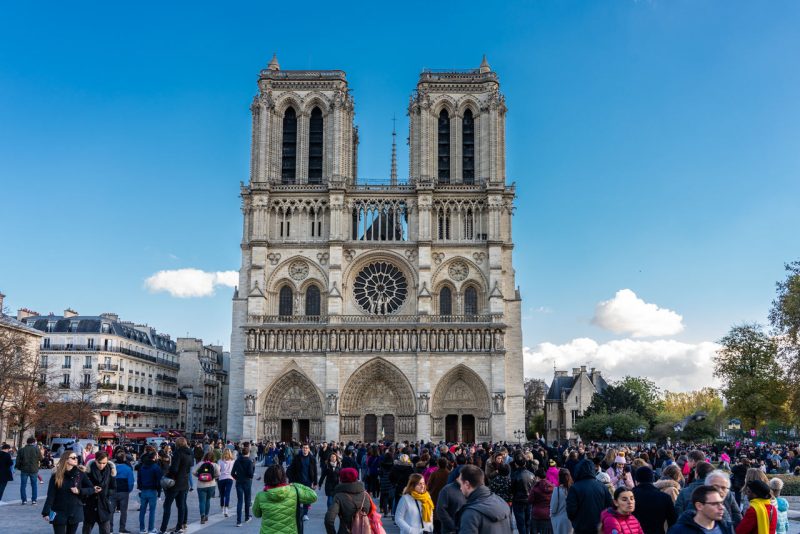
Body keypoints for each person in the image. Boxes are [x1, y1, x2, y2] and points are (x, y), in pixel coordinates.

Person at [41, 451, 96, 534]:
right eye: (73, 458)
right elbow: (51, 495)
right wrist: (46, 512)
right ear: (66, 460)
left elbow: (91, 489)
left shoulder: (80, 474)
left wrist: (79, 491)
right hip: (59, 511)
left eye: (76, 457)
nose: (76, 459)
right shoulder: (56, 476)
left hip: (75, 510)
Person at [253, 463, 318, 534]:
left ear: (267, 478)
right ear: (284, 477)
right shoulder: (293, 491)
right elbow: (313, 496)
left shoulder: (260, 496)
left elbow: (257, 514)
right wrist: (295, 484)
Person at [454, 464, 512, 533]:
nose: (460, 488)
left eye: (460, 484)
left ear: (467, 484)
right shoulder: (502, 502)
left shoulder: (470, 514)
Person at [566, 458, 613, 534]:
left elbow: (571, 511)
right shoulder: (602, 486)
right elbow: (609, 507)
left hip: (581, 528)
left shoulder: (575, 488)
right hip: (599, 527)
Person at [324, 467, 375, 534]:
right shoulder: (366, 495)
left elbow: (329, 520)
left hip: (345, 531)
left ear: (342, 478)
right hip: (364, 530)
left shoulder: (339, 496)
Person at [159, 436, 193, 534]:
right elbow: (189, 467)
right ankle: (180, 527)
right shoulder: (190, 453)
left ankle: (163, 529)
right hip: (184, 482)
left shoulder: (178, 453)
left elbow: (174, 469)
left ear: (177, 444)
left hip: (175, 483)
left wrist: (168, 474)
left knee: (167, 505)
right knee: (181, 505)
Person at [667, 485, 734, 534]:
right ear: (699, 506)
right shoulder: (679, 531)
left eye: (721, 503)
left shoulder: (727, 527)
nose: (722, 507)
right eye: (714, 504)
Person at [632, 466, 676, 534]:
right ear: (652, 480)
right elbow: (672, 521)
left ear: (636, 481)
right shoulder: (665, 497)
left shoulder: (630, 496)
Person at [83, 451, 116, 534]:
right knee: (86, 531)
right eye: (99, 463)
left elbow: (114, 488)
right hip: (90, 505)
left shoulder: (110, 470)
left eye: (104, 463)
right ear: (95, 460)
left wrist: (106, 493)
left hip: (104, 505)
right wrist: (91, 490)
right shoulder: (88, 471)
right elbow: (82, 488)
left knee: (105, 531)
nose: (102, 465)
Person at [286, 443, 318, 521]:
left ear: (309, 449)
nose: (305, 449)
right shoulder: (297, 458)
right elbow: (292, 469)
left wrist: (315, 482)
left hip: (308, 481)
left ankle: (305, 514)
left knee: (306, 498)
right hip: (298, 481)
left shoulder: (312, 459)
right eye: (304, 448)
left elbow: (315, 471)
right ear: (301, 449)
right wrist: (290, 481)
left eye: (306, 448)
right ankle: (297, 512)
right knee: (297, 497)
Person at [136, 445, 162, 534]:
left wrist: (140, 488)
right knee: (152, 510)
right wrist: (159, 492)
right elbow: (159, 480)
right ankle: (151, 529)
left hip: (143, 490)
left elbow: (139, 478)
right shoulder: (155, 467)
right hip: (152, 490)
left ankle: (142, 529)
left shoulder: (142, 466)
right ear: (154, 457)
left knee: (142, 510)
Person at [110, 451, 134, 534]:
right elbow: (131, 482)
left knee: (111, 511)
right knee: (124, 511)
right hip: (124, 492)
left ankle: (110, 529)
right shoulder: (128, 468)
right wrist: (128, 491)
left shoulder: (112, 467)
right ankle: (122, 529)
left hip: (112, 491)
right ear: (124, 458)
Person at [511, 454, 536, 534]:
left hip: (518, 501)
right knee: (527, 521)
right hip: (528, 500)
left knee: (521, 523)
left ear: (516, 464)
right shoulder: (531, 475)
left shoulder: (514, 475)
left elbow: (512, 489)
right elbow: (534, 488)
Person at [193, 451, 220, 524]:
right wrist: (212, 477)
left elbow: (193, 472)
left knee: (202, 501)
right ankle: (206, 516)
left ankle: (202, 516)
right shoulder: (215, 465)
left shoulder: (200, 464)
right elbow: (218, 474)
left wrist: (199, 476)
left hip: (201, 485)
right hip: (211, 485)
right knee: (208, 500)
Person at [232, 444, 255, 526]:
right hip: (247, 482)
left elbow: (232, 473)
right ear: (248, 453)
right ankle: (246, 517)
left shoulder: (237, 461)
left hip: (239, 482)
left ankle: (238, 521)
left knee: (240, 501)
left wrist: (237, 478)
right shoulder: (249, 461)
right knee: (247, 500)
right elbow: (251, 474)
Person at [16, 436, 41, 504]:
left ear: (27, 442)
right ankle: (34, 500)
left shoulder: (22, 450)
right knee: (34, 485)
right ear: (33, 442)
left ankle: (24, 500)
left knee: (23, 485)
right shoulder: (36, 449)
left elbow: (18, 460)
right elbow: (41, 458)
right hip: (34, 469)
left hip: (24, 469)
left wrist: (19, 467)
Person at [530, 467, 554, 534]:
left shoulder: (535, 488)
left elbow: (530, 500)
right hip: (547, 514)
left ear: (537, 477)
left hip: (536, 514)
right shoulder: (552, 487)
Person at [550, 468, 573, 534]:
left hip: (559, 520)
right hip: (570, 520)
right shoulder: (573, 489)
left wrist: (551, 515)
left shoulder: (556, 490)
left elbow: (553, 508)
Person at [217, 448, 235, 518]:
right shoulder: (233, 461)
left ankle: (222, 506)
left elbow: (218, 471)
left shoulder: (220, 461)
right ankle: (226, 509)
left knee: (222, 493)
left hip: (221, 478)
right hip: (229, 478)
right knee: (227, 494)